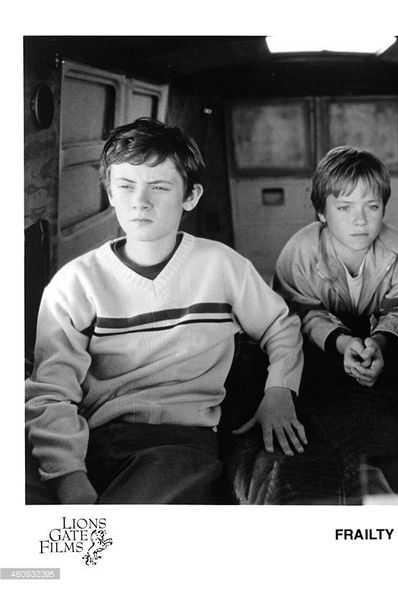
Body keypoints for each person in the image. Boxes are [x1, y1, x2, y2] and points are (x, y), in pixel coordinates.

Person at [25, 118, 306, 504]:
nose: (140, 201)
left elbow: (281, 326)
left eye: (159, 186)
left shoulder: (221, 265)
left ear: (190, 196)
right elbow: (51, 393)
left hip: (182, 442)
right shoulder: (75, 283)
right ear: (109, 192)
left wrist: (279, 390)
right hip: (94, 439)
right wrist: (69, 476)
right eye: (126, 186)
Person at [270, 146, 398, 502]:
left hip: (383, 347)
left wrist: (380, 344)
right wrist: (342, 343)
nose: (360, 221)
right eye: (344, 208)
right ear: (321, 212)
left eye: (371, 207)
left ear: (384, 208)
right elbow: (298, 313)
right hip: (323, 349)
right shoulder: (299, 252)